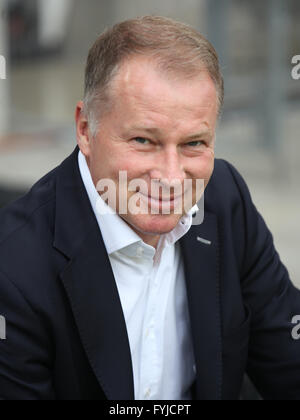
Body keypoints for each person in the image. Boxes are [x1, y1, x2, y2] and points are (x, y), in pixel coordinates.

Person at [0, 15, 300, 401]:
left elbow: (288, 352)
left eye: (194, 143)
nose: (172, 177)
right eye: (144, 140)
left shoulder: (224, 199)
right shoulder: (14, 269)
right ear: (85, 129)